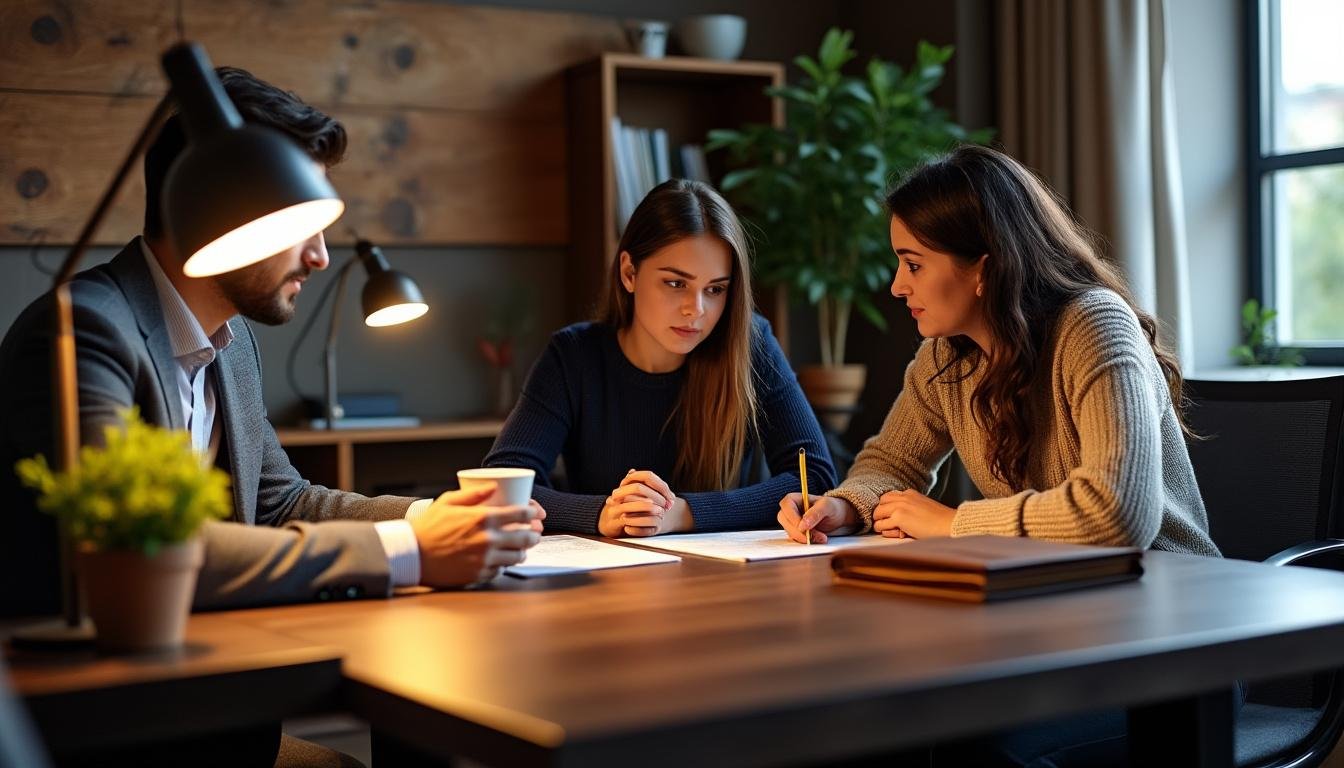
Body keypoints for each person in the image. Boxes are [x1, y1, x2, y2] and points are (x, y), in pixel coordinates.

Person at [0, 67, 544, 619]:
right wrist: (411, 552)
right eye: (297, 223)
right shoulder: (81, 333)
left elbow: (279, 503)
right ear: (213, 213)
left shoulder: (230, 344)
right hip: (88, 685)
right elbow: (141, 548)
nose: (321, 257)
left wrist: (430, 518)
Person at [775, 144, 1221, 767]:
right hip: (1056, 631)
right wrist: (845, 508)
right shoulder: (947, 355)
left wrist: (951, 521)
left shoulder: (1094, 327)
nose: (897, 284)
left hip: (1172, 654)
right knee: (879, 724)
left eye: (912, 263)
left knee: (969, 748)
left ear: (983, 267)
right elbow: (888, 464)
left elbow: (1118, 516)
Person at [484, 179, 835, 537]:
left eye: (715, 289)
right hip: (610, 579)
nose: (695, 310)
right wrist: (602, 514)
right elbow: (500, 483)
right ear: (629, 273)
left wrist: (684, 513)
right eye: (676, 283)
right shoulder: (574, 356)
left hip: (724, 576)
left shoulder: (750, 343)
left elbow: (815, 478)